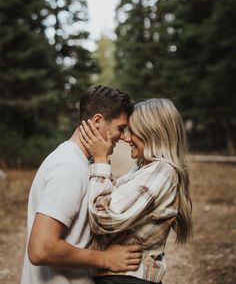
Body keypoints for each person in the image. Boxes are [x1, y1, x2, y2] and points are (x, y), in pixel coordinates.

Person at [21, 85, 142, 284]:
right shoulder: (69, 166)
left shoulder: (79, 161)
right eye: (120, 128)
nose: (122, 137)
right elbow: (41, 249)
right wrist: (105, 259)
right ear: (97, 121)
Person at [79, 98, 193, 284]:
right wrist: (102, 161)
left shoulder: (162, 171)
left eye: (132, 131)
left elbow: (103, 218)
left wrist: (100, 161)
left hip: (127, 277)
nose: (125, 138)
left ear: (152, 132)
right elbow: (115, 198)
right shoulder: (143, 169)